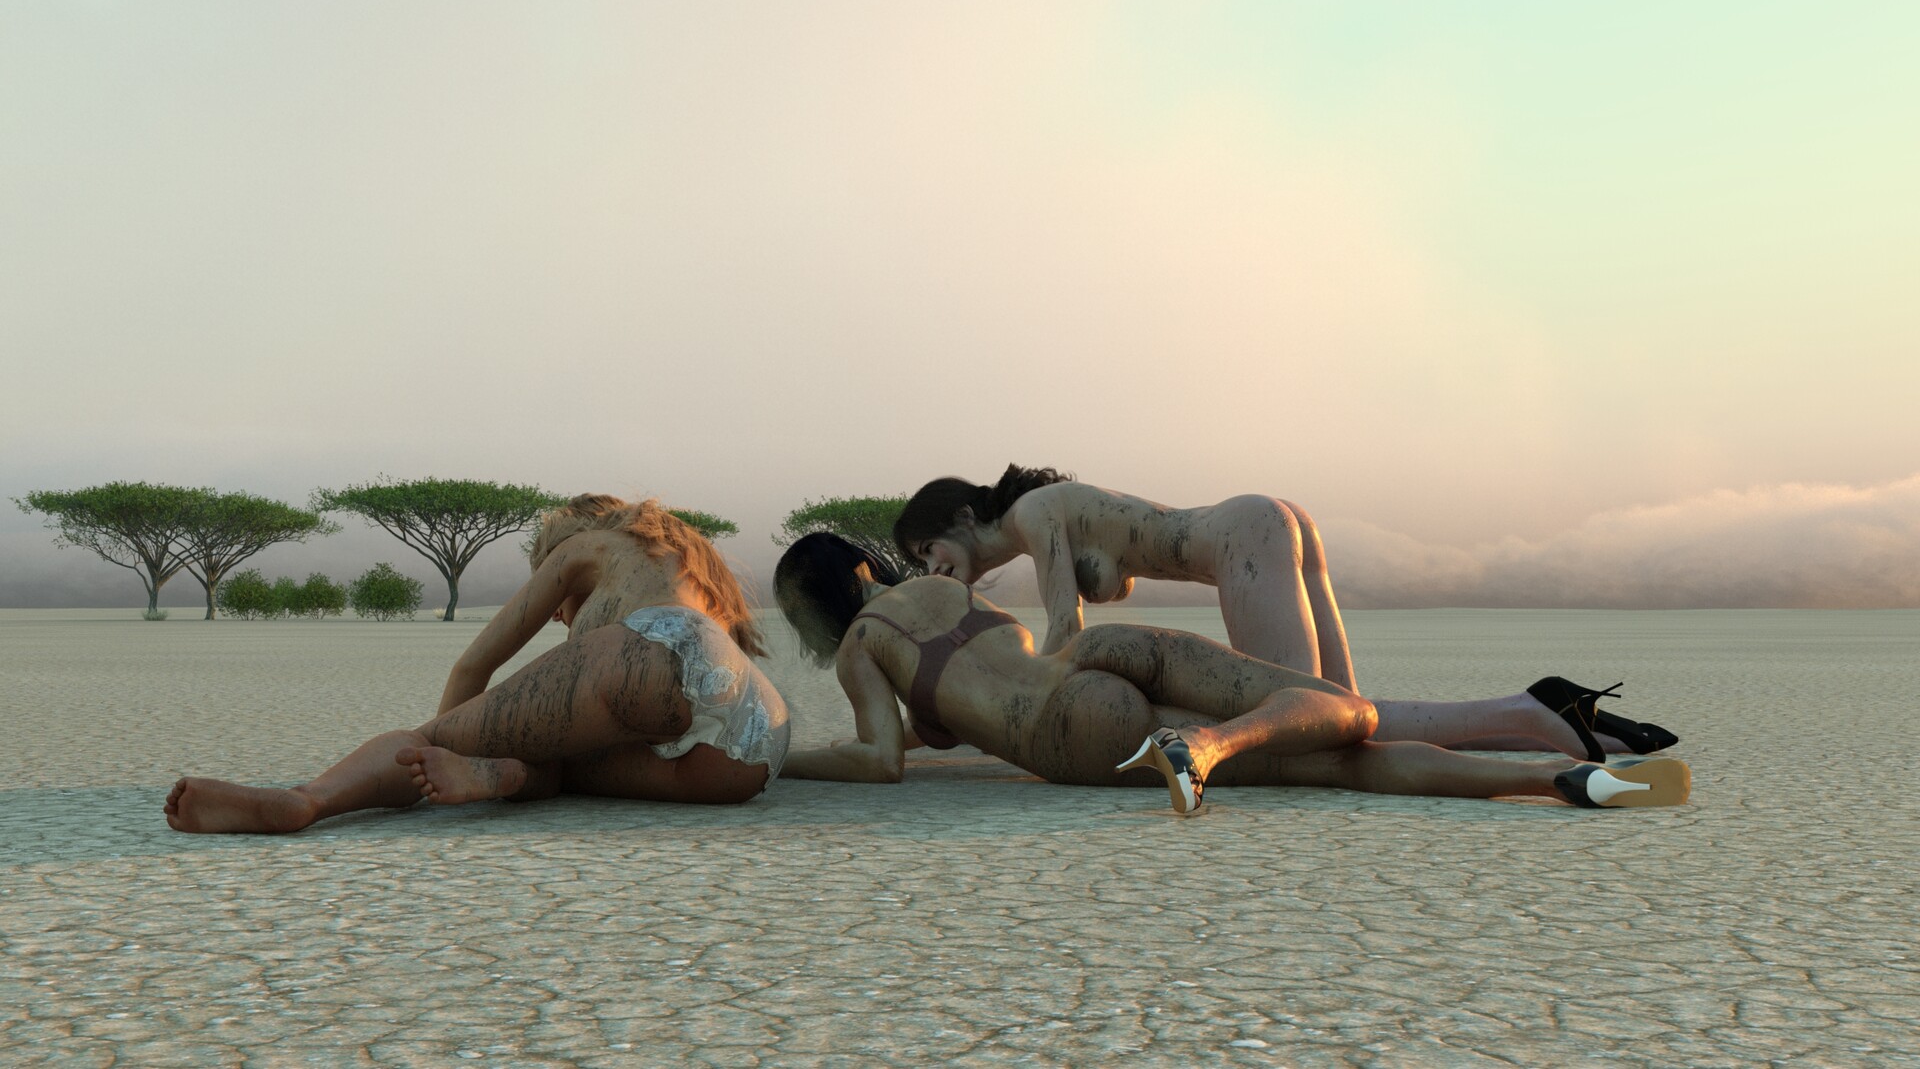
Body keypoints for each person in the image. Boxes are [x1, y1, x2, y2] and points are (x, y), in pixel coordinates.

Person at [772, 533, 1689, 813]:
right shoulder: (938, 587)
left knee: (1343, 761)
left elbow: (880, 760)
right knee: (1347, 717)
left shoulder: (861, 651)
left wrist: (786, 758)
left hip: (1069, 728)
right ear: (862, 566)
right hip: (1096, 655)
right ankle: (1562, 775)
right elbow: (1002, 659)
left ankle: (1205, 748)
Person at [891, 465, 1677, 762]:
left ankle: (1531, 709)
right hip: (1267, 524)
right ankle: (1570, 728)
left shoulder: (1031, 516)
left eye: (928, 552)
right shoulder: (1046, 513)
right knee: (1355, 720)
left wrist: (992, 706)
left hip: (1245, 540)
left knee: (1308, 720)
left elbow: (1067, 634)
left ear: (961, 517)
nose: (931, 572)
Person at [164, 496, 789, 833]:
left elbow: (473, 666)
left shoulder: (585, 545)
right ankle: (500, 776)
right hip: (749, 751)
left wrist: (440, 745)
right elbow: (705, 675)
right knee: (559, 766)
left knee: (427, 739)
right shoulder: (695, 575)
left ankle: (305, 801)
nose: (557, 616)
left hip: (657, 650)